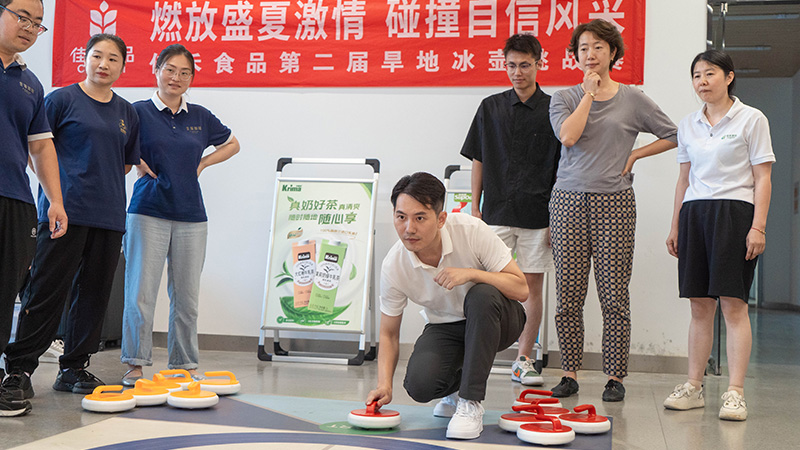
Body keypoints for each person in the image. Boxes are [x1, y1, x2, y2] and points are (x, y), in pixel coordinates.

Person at [2, 33, 140, 399]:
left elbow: (126, 163)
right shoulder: (61, 100)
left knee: (93, 295)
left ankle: (74, 367)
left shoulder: (127, 112)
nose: (103, 64)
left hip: (108, 215)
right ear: (85, 59)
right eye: (97, 56)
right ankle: (19, 368)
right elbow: (36, 148)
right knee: (46, 290)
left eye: (112, 59)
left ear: (122, 66)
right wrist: (57, 193)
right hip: (63, 212)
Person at [548, 19, 678, 402]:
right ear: (575, 56)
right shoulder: (564, 98)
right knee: (568, 294)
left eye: (598, 47)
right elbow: (568, 136)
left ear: (613, 53)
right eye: (583, 48)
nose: (590, 54)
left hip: (615, 202)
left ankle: (615, 377)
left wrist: (635, 154)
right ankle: (569, 373)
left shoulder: (633, 99)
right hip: (568, 200)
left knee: (614, 293)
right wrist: (589, 94)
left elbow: (674, 134)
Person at [365, 172, 528, 440]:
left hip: (499, 318)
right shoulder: (394, 266)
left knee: (481, 295)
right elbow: (388, 333)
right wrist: (384, 385)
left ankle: (470, 402)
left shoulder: (471, 231)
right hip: (447, 327)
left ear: (441, 219)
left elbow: (521, 289)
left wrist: (472, 274)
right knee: (419, 386)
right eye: (401, 217)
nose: (409, 228)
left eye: (420, 218)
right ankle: (453, 391)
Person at [663, 50, 773, 421]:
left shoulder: (752, 119)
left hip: (735, 214)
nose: (702, 81)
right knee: (699, 305)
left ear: (729, 77)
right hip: (695, 214)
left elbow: (763, 178)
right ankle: (693, 386)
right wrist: (676, 225)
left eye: (710, 73)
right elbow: (683, 179)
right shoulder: (688, 124)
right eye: (696, 75)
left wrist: (758, 226)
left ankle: (735, 392)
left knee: (733, 304)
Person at [120, 44, 240, 386]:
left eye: (184, 72)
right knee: (140, 294)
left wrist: (202, 163)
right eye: (170, 70)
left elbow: (233, 143)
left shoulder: (200, 116)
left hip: (191, 215)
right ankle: (135, 363)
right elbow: (116, 144)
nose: (176, 77)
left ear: (191, 78)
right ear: (156, 70)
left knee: (187, 298)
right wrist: (136, 161)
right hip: (148, 211)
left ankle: (184, 364)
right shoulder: (137, 111)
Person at [460, 33, 560, 386]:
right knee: (481, 285)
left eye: (525, 65)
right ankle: (473, 356)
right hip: (495, 212)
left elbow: (561, 168)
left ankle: (524, 359)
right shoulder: (490, 107)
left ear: (539, 64)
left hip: (538, 214)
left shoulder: (554, 109)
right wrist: (475, 207)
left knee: (532, 288)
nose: (518, 72)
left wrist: (555, 218)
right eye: (511, 66)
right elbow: (478, 159)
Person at [0, 0, 67, 417]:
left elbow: (40, 146)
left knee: (5, 293)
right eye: (22, 16)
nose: (29, 27)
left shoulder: (31, 84)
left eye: (38, 23)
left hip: (17, 200)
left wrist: (55, 200)